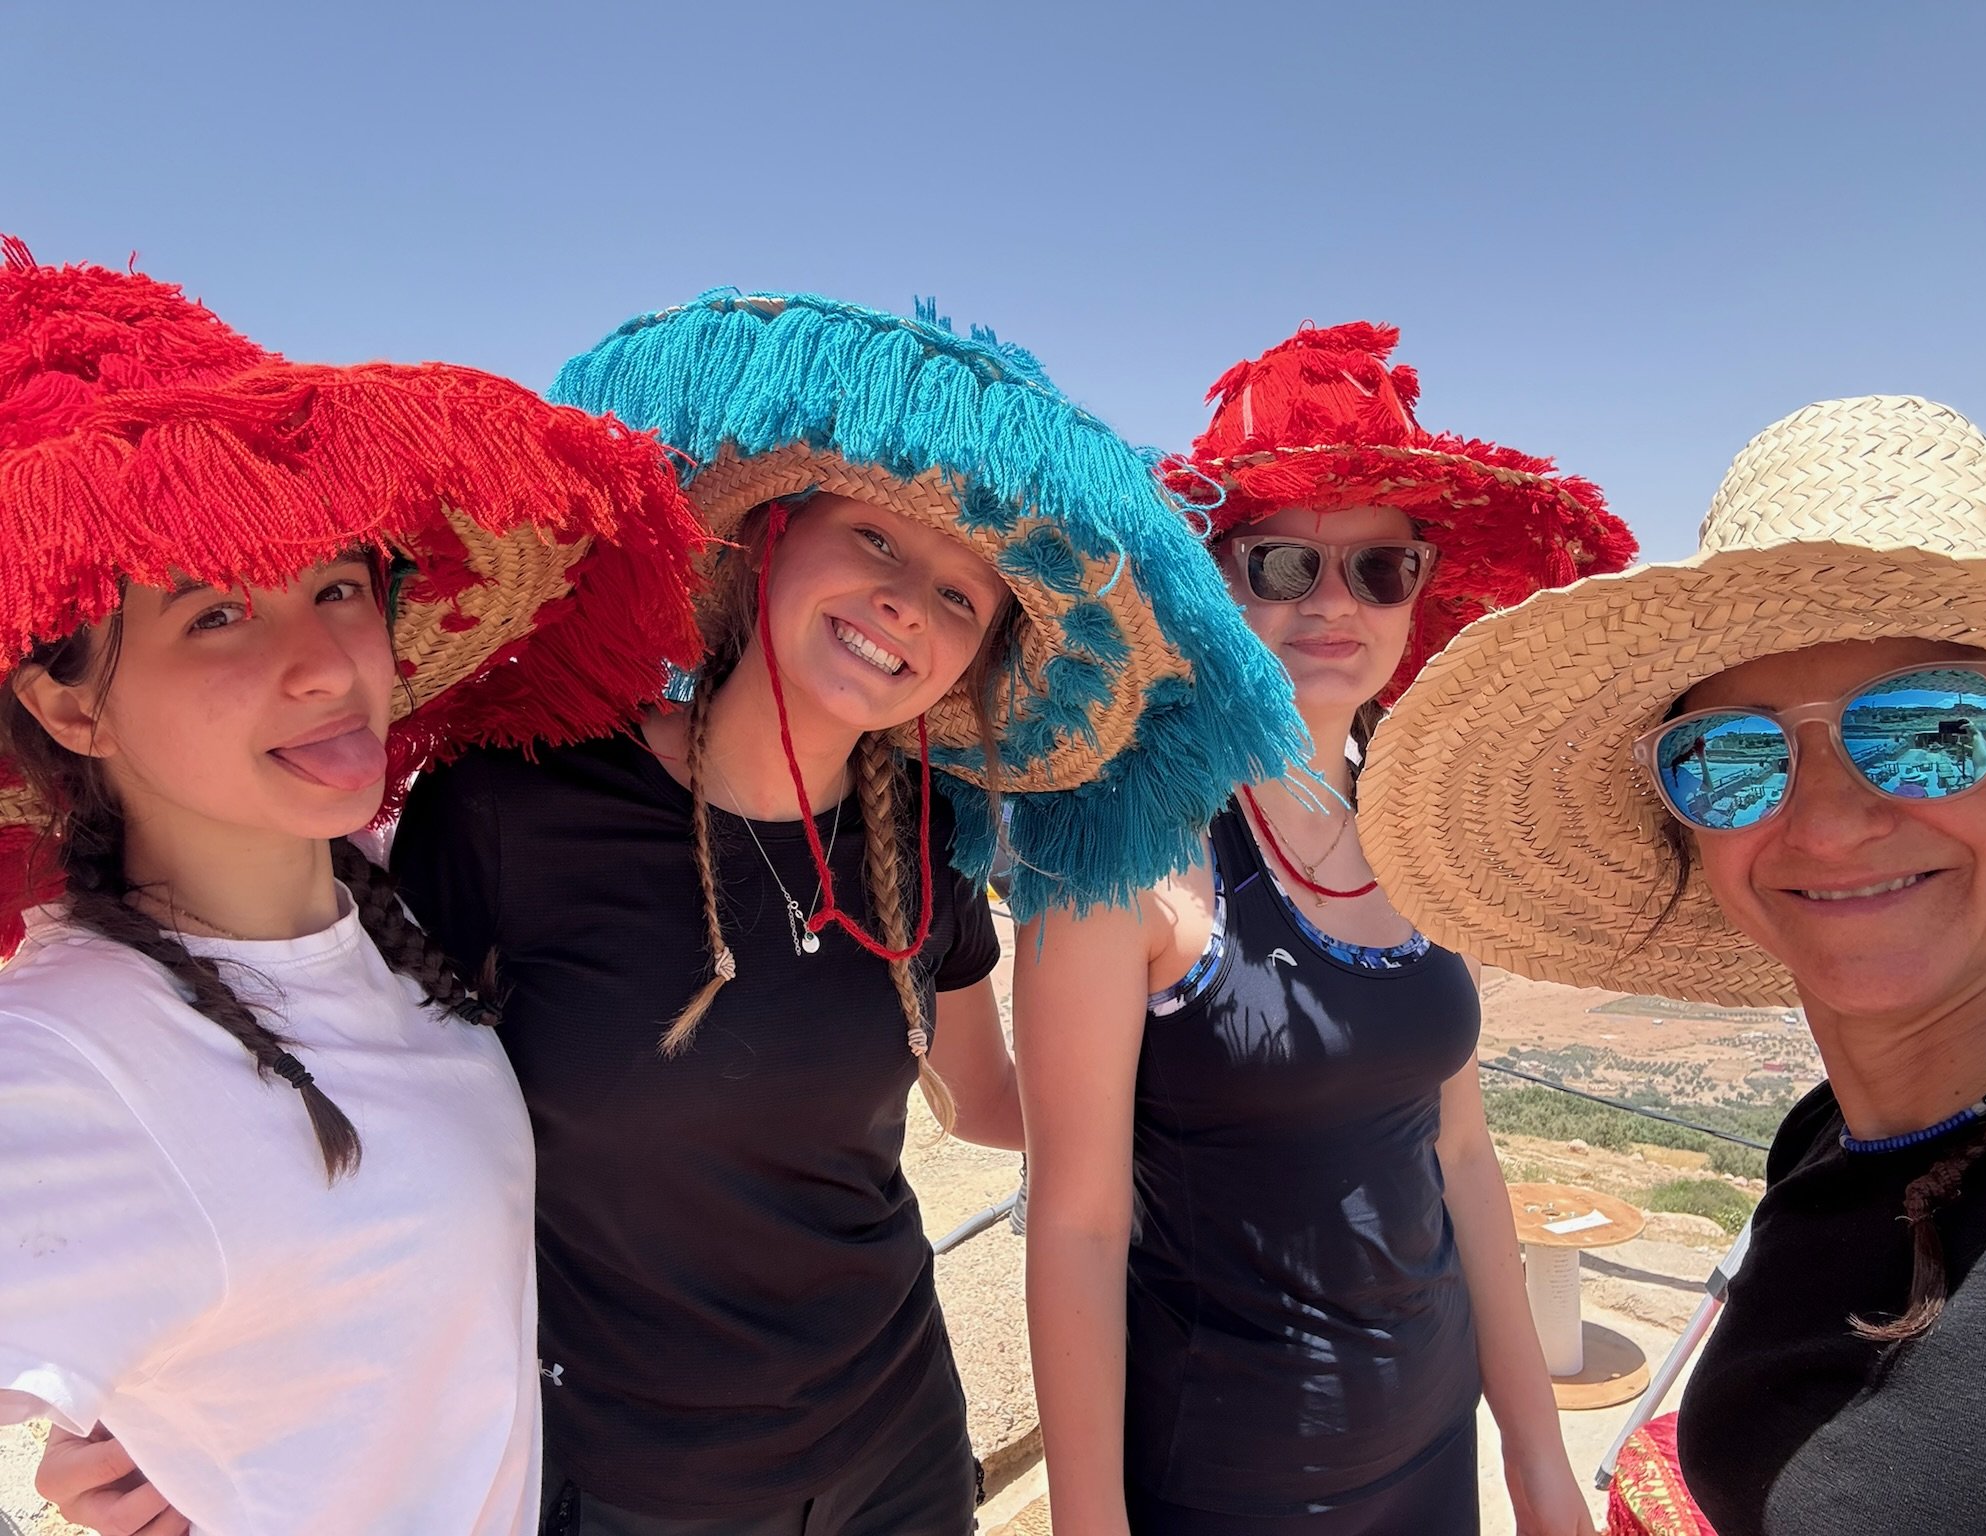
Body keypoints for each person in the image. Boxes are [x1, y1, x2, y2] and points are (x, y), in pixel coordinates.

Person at [398, 291, 1303, 1536]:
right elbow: (376, 1128)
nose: (908, 608)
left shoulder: (924, 841)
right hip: (628, 1486)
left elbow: (986, 1101)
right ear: (769, 534)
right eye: (877, 541)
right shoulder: (516, 805)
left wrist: (1285, 1111)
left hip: (899, 1453)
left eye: (961, 599)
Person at [0, 237, 707, 1535]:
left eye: (336, 586)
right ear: (64, 701)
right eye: (216, 614)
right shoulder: (63, 1055)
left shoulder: (400, 884)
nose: (327, 662)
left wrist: (193, 1438)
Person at [1356, 394, 1986, 1534]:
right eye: (1728, 755)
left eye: (1928, 726)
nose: (1824, 824)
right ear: (1679, 821)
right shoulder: (1827, 1140)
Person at [1016, 321, 1635, 1535]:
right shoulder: (1125, 856)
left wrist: (1533, 1454)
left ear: (1419, 594)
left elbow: (1459, 1155)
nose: (1334, 604)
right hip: (1230, 1479)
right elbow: (1076, 1222)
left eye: (1380, 568)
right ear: (1206, 584)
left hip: (1428, 1449)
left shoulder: (1422, 837)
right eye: (1282, 565)